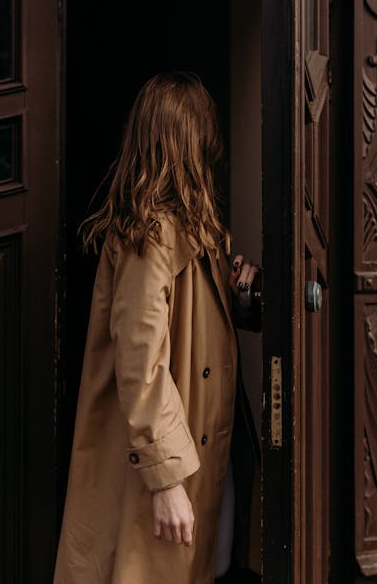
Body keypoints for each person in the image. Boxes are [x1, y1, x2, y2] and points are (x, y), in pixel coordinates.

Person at [53, 71, 262, 584]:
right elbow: (140, 364)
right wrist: (167, 481)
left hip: (203, 453)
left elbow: (199, 335)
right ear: (193, 140)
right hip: (169, 465)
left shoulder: (198, 230)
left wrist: (239, 294)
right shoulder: (151, 234)